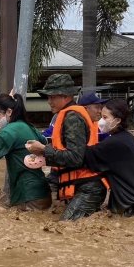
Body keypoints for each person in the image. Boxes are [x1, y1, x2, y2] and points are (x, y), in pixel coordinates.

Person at [26, 74, 107, 221]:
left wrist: (44, 149)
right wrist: (43, 156)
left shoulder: (72, 117)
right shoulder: (69, 114)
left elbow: (75, 158)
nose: (49, 101)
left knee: (64, 227)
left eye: (52, 97)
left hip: (88, 188)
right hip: (76, 182)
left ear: (65, 96)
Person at [83, 98, 134, 217]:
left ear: (117, 120)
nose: (101, 121)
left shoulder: (113, 143)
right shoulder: (127, 137)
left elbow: (83, 155)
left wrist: (48, 150)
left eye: (105, 117)